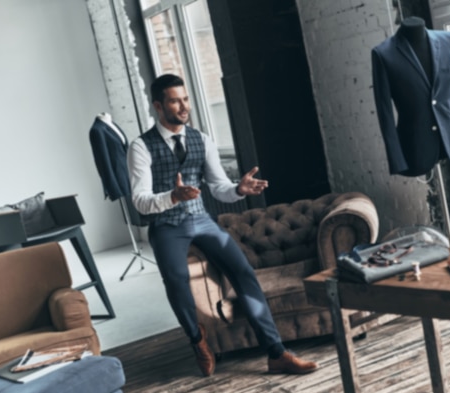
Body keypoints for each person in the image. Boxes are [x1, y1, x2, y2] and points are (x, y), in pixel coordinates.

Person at [127, 74, 318, 377]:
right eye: (175, 101)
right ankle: (196, 339)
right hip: (166, 224)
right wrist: (172, 196)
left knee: (242, 272)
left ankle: (276, 353)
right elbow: (140, 200)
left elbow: (218, 188)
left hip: (201, 219)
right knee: (176, 280)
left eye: (186, 99)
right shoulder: (141, 147)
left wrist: (238, 190)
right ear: (158, 106)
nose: (184, 106)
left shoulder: (201, 139)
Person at [371, 16, 450, 177]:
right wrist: (397, 159)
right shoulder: (383, 54)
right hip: (416, 145)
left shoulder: (449, 40)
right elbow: (385, 113)